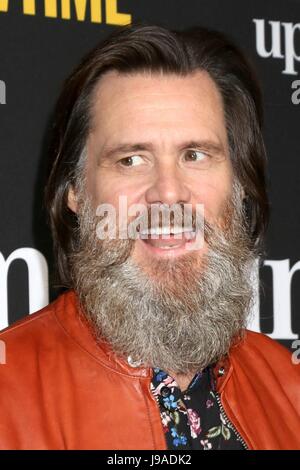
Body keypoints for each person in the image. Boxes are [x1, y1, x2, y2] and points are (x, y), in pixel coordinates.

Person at [0, 23, 299, 451]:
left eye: (195, 155)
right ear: (75, 193)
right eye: (131, 159)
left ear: (238, 186)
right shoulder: (7, 394)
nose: (169, 192)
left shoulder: (290, 389)